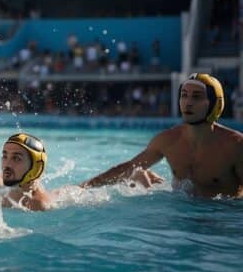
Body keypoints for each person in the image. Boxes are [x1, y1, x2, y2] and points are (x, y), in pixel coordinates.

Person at [82, 73, 243, 198]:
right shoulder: (168, 140)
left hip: (218, 219)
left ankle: (148, 178)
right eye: (184, 95)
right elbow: (128, 167)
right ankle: (144, 177)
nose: (187, 102)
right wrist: (83, 187)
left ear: (215, 103)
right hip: (182, 211)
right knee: (135, 172)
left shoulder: (235, 146)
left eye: (196, 97)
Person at [0, 132, 52, 211]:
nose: (7, 164)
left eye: (16, 158)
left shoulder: (36, 205)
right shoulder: (3, 192)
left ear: (35, 167)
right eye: (5, 156)